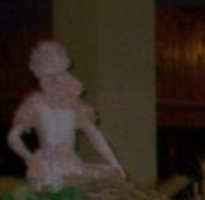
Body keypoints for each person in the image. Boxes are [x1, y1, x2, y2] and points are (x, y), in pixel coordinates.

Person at [7, 39, 125, 191]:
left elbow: (94, 134)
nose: (55, 80)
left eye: (59, 74)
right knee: (54, 197)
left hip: (72, 166)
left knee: (87, 190)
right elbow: (13, 137)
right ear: (40, 75)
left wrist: (115, 164)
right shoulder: (35, 103)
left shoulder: (72, 104)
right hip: (46, 168)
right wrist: (30, 158)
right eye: (49, 76)